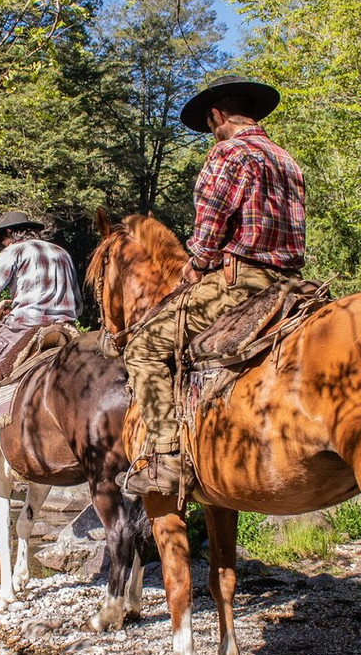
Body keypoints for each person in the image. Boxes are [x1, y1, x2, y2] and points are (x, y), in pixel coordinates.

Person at [120, 75, 307, 496]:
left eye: (209, 124)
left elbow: (210, 227)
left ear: (218, 115)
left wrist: (197, 264)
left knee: (143, 348)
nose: (211, 133)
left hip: (242, 283)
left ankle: (166, 459)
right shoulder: (286, 159)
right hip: (290, 282)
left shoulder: (228, 153)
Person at [0, 211, 83, 472]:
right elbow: (78, 304)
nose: (3, 244)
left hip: (25, 326)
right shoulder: (62, 253)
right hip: (67, 327)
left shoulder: (14, 251)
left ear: (10, 233)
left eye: (2, 239)